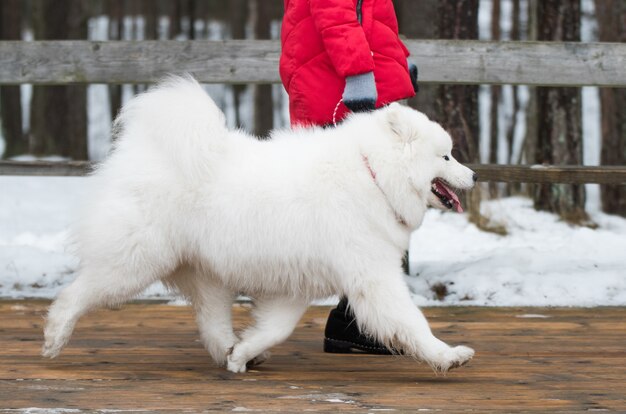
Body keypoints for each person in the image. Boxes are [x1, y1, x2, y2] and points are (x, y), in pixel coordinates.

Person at [280, 0, 418, 354]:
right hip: (338, 85)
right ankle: (354, 322)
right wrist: (358, 73)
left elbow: (369, 15)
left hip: (343, 78)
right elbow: (336, 12)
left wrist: (398, 61)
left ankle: (355, 321)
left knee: (363, 210)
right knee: (361, 211)